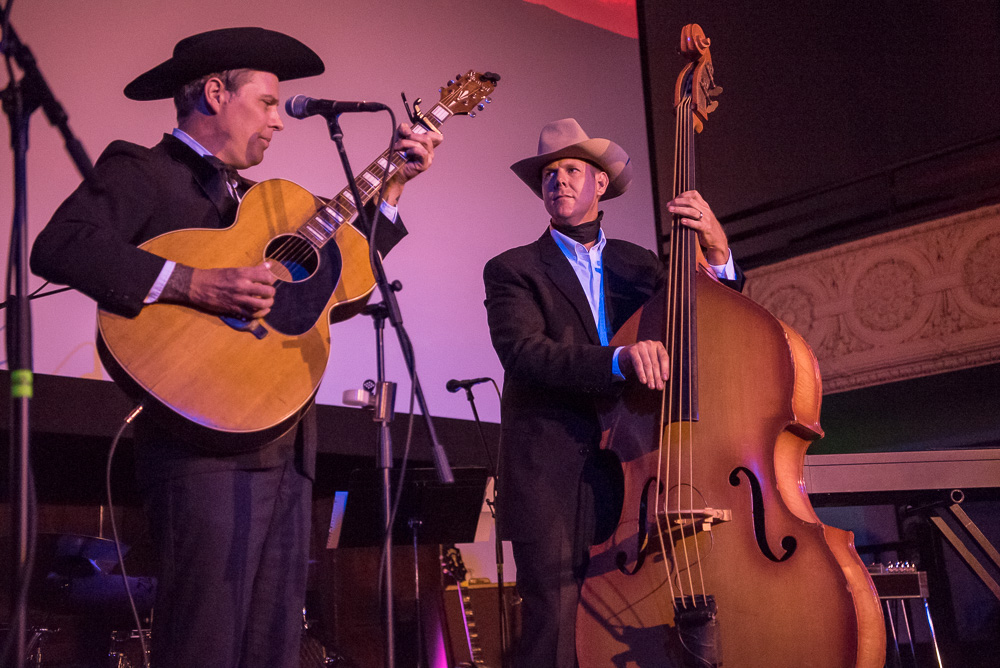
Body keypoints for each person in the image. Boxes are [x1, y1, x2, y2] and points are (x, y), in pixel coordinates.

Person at [30, 27, 441, 668]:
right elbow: (60, 246)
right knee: (205, 641)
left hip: (285, 440)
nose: (280, 121)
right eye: (269, 102)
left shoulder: (262, 203)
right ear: (216, 93)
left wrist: (390, 190)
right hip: (200, 447)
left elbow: (338, 285)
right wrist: (194, 282)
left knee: (274, 643)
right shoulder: (141, 169)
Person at [482, 118, 744, 668]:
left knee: (641, 621)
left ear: (600, 183)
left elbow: (708, 323)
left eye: (571, 169)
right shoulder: (512, 269)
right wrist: (618, 360)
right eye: (548, 174)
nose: (558, 181)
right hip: (554, 473)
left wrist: (718, 252)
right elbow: (525, 354)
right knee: (552, 630)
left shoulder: (642, 265)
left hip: (636, 463)